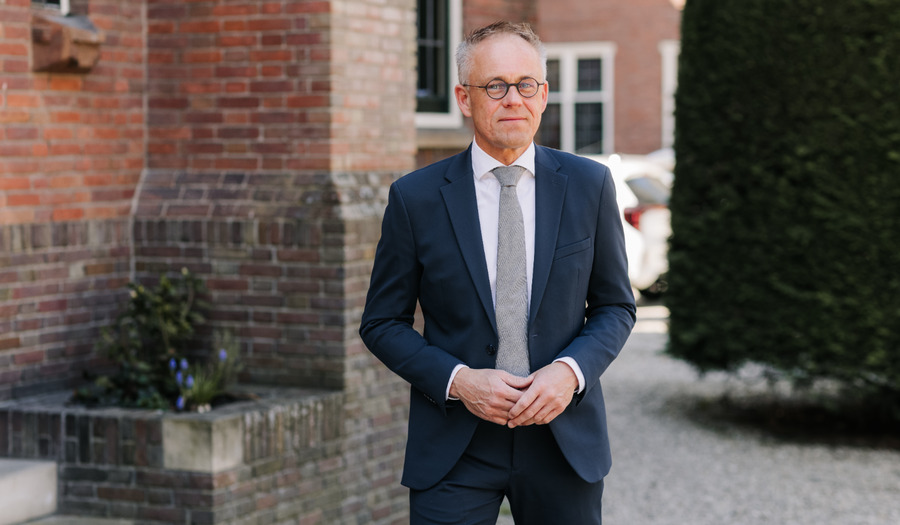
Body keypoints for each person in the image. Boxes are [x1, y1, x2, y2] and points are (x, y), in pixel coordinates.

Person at [359, 21, 635, 524]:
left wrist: (570, 373)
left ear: (543, 95)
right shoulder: (415, 199)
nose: (513, 99)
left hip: (563, 438)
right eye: (495, 86)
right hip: (455, 444)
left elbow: (615, 307)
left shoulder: (590, 185)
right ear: (464, 98)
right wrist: (460, 381)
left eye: (525, 84)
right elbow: (381, 323)